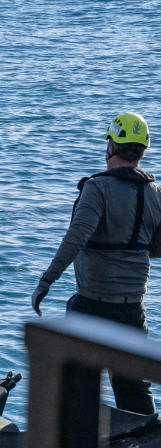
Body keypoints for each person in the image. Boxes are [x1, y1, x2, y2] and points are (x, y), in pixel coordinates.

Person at [33, 113, 161, 414]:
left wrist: (46, 281)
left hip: (91, 306)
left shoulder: (97, 188)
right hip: (132, 309)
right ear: (141, 151)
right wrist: (127, 245)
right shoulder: (155, 193)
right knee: (135, 393)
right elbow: (156, 248)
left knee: (73, 389)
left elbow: (74, 239)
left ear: (111, 147)